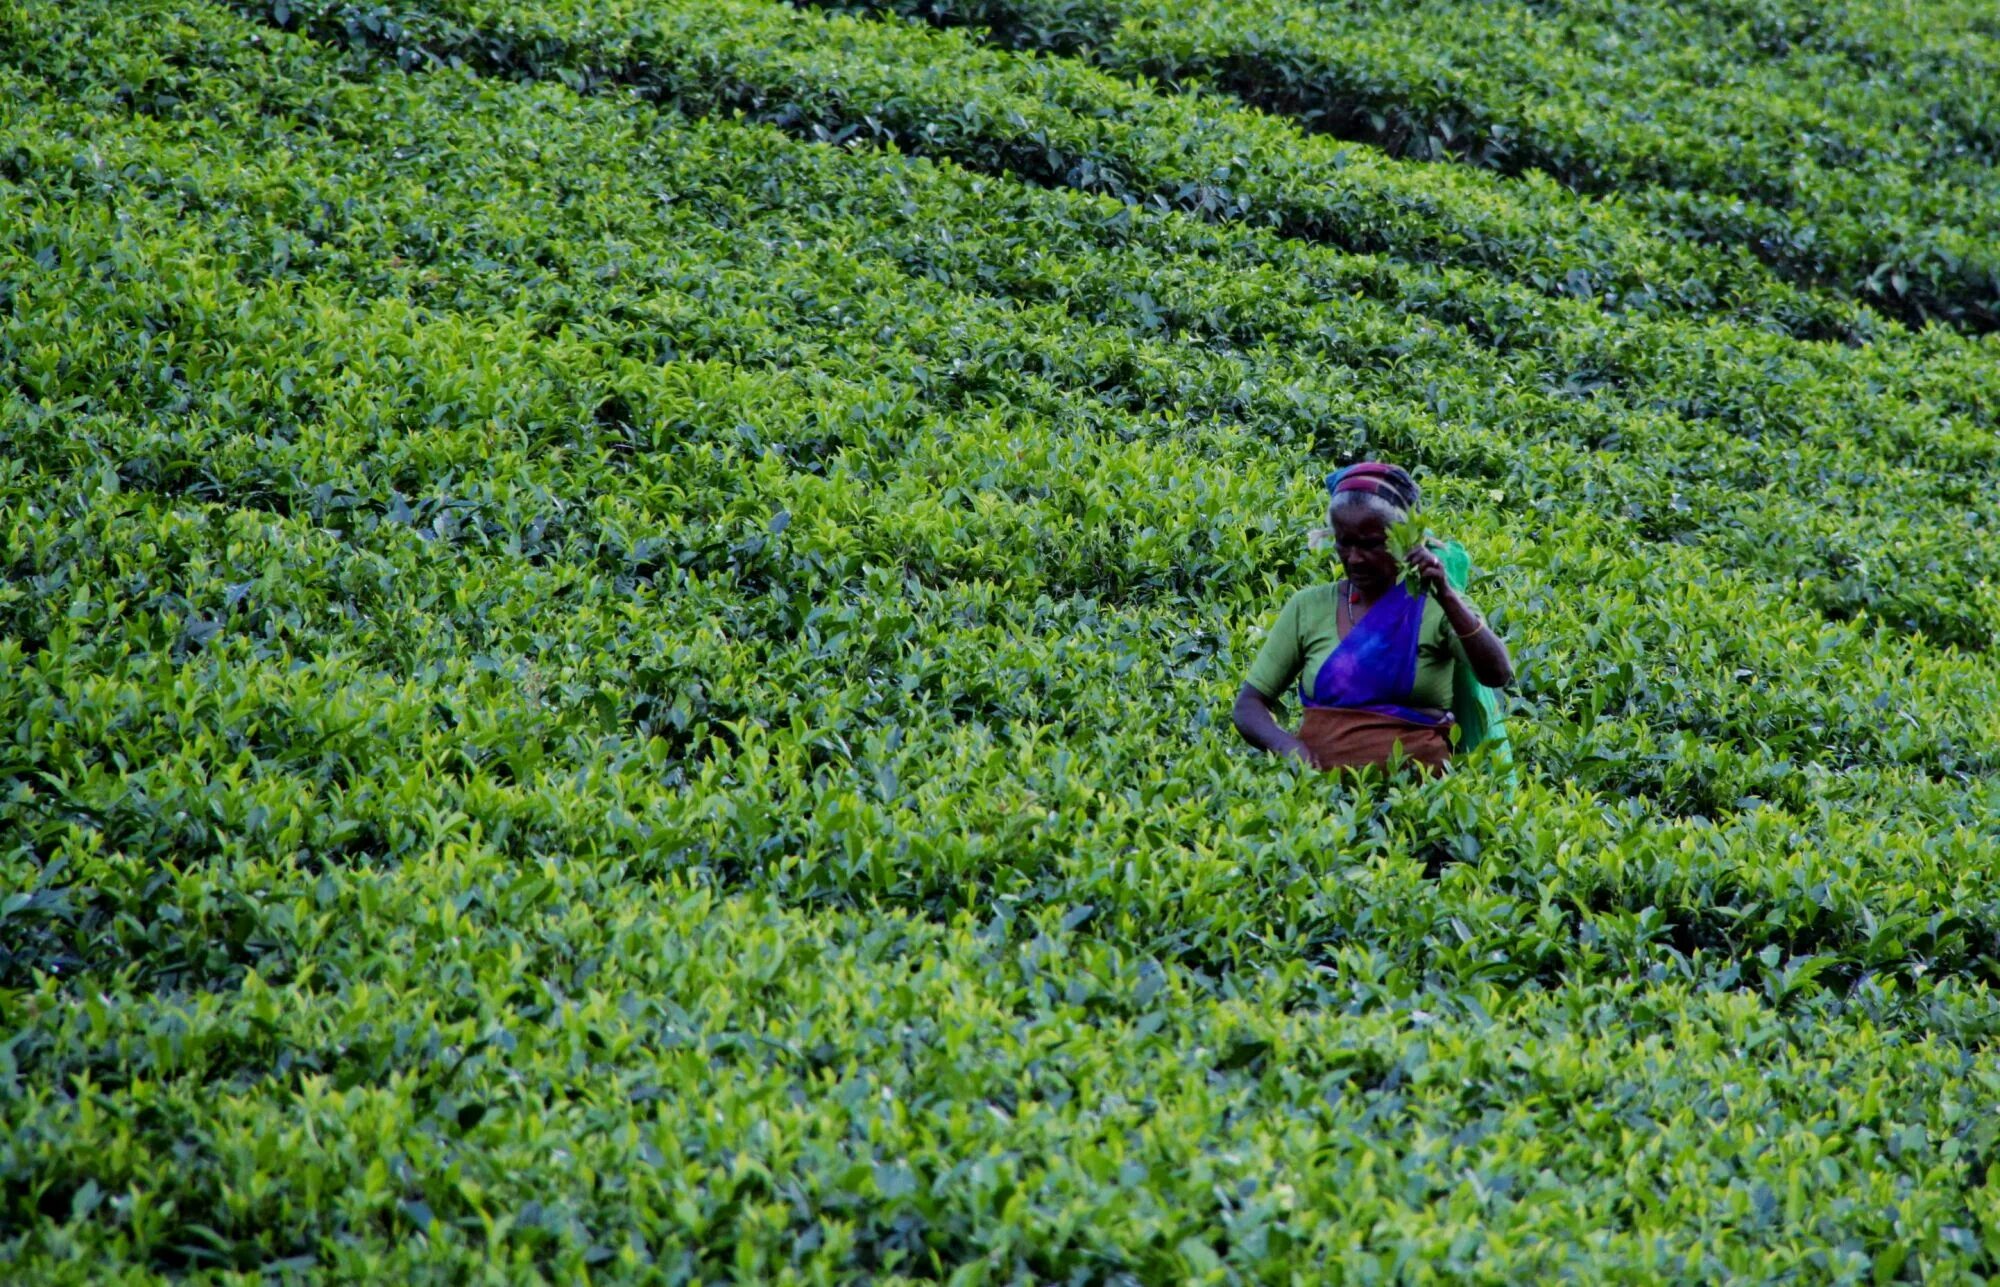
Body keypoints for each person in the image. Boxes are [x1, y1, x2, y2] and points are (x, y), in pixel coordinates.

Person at [1232, 462, 1513, 774]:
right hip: (1321, 798)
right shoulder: (1307, 607)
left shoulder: (1437, 606)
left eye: (1370, 544)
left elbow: (1497, 673)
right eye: (1344, 542)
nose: (1353, 557)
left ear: (1405, 540)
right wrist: (1287, 745)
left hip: (1419, 800)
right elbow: (1249, 705)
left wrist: (1446, 595)